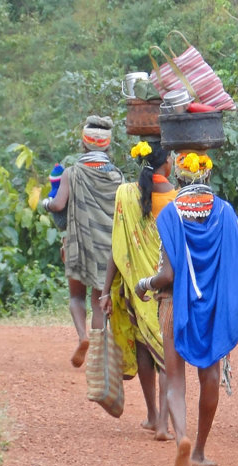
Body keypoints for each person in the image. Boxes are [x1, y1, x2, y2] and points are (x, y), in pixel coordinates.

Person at [135, 150, 238, 466]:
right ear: (207, 174)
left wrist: (143, 283)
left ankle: (181, 436)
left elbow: (167, 275)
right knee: (209, 377)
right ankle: (197, 451)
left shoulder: (170, 214)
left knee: (175, 379)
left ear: (178, 177)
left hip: (173, 305)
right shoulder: (225, 213)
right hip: (214, 309)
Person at [99, 140, 176, 441]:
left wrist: (106, 291)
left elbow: (117, 248)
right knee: (166, 354)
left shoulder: (126, 195)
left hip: (135, 288)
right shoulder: (175, 198)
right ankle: (164, 425)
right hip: (165, 287)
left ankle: (152, 415)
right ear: (166, 163)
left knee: (145, 348)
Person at [41, 116, 123, 367]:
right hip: (107, 249)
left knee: (76, 297)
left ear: (84, 144)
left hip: (78, 245)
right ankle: (97, 353)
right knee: (99, 301)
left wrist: (46, 203)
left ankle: (82, 336)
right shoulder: (116, 175)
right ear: (107, 145)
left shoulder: (72, 172)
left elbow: (58, 205)